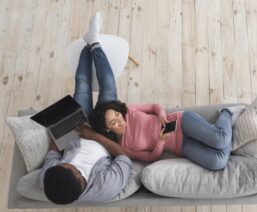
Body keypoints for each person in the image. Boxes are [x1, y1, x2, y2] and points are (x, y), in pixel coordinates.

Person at [83, 16, 246, 171]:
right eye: (114, 122)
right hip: (179, 145)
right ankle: (227, 137)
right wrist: (161, 141)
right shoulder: (125, 147)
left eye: (117, 115)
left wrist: (161, 115)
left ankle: (226, 113)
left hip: (181, 122)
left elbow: (154, 107)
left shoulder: (129, 111)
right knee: (217, 162)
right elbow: (150, 158)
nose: (120, 120)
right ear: (107, 130)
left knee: (220, 140)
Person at [39, 12, 132, 205]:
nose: (66, 162)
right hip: (104, 135)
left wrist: (62, 128)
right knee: (108, 84)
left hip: (76, 131)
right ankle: (93, 42)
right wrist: (93, 135)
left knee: (82, 84)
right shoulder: (105, 186)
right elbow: (123, 157)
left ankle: (88, 42)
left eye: (63, 163)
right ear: (81, 180)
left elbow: (53, 153)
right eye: (70, 166)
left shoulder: (50, 178)